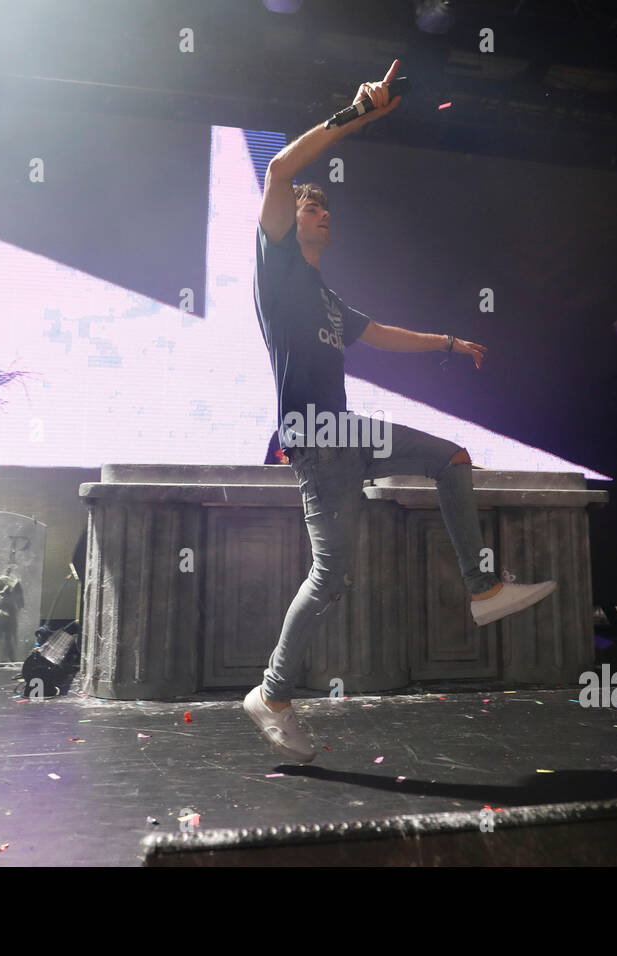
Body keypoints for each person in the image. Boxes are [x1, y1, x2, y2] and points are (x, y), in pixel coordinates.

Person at [243, 60, 557, 762]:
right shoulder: (277, 268)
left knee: (450, 457)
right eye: (308, 206)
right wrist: (357, 114)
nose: (318, 210)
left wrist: (448, 340)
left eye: (325, 207)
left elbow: (383, 334)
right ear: (288, 224)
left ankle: (481, 587)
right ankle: (271, 691)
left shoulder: (328, 299)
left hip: (344, 435)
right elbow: (280, 171)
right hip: (313, 437)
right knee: (331, 577)